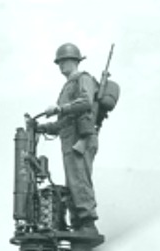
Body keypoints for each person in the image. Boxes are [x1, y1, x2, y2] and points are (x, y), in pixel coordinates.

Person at [32, 43, 101, 237]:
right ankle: (79, 224)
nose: (61, 65)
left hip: (82, 138)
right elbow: (63, 123)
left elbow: (86, 102)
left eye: (64, 61)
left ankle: (88, 223)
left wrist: (60, 109)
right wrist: (41, 128)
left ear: (75, 61)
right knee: (73, 182)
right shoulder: (67, 86)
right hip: (69, 140)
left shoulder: (83, 79)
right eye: (59, 62)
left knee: (79, 180)